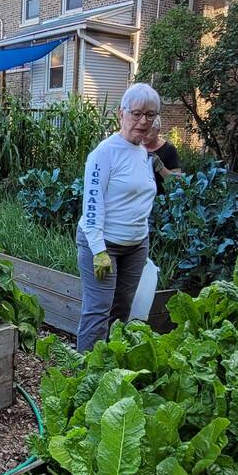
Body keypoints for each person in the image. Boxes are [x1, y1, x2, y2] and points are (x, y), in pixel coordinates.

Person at [76, 83, 161, 352]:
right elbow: (92, 204)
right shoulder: (105, 153)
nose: (143, 121)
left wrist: (141, 237)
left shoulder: (143, 153)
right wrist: (99, 250)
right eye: (136, 113)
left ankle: (110, 367)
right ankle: (84, 376)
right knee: (98, 311)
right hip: (103, 244)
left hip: (135, 245)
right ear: (121, 114)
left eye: (150, 114)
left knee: (123, 309)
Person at [143, 116, 181, 194]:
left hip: (161, 201)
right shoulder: (135, 147)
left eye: (148, 131)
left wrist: (159, 166)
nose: (144, 135)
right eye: (142, 130)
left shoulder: (169, 149)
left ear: (158, 131)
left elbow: (177, 181)